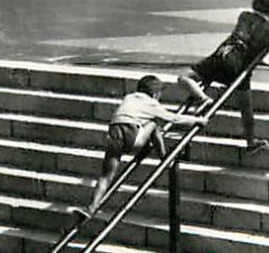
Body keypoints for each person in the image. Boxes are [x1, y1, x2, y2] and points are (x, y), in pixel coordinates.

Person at [179, 0, 269, 157]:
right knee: (246, 107)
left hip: (222, 54)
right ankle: (250, 141)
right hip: (240, 66)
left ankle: (203, 98)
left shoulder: (244, 16)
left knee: (185, 77)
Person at [77, 75, 206, 217]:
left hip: (113, 134)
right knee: (153, 124)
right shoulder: (152, 103)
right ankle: (163, 155)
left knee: (106, 175)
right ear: (155, 94)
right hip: (132, 137)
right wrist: (197, 120)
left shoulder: (129, 97)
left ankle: (92, 207)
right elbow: (174, 118)